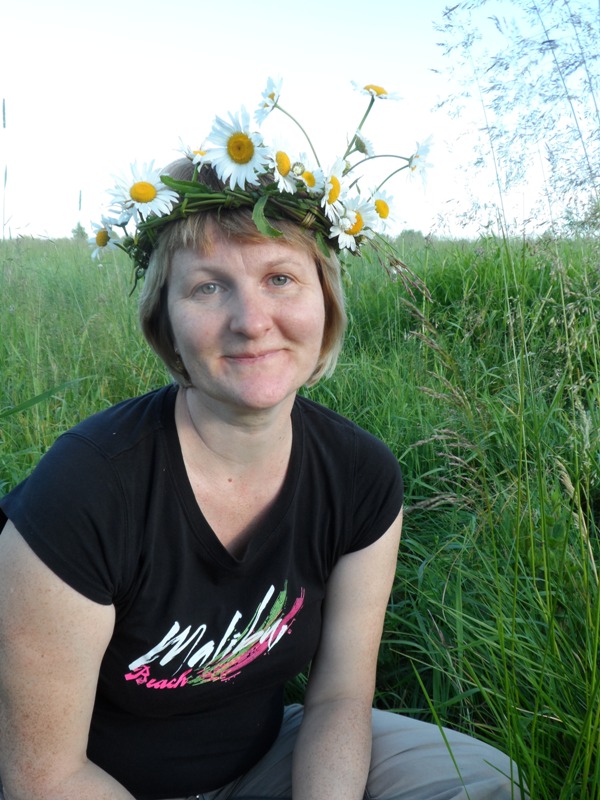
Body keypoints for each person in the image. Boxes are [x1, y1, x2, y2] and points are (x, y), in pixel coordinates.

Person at [0, 80, 525, 800]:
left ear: (325, 305)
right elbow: (42, 774)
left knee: (482, 781)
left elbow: (340, 697)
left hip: (267, 757)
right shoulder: (87, 488)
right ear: (166, 326)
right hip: (101, 782)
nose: (251, 321)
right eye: (208, 287)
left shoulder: (360, 476)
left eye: (280, 278)